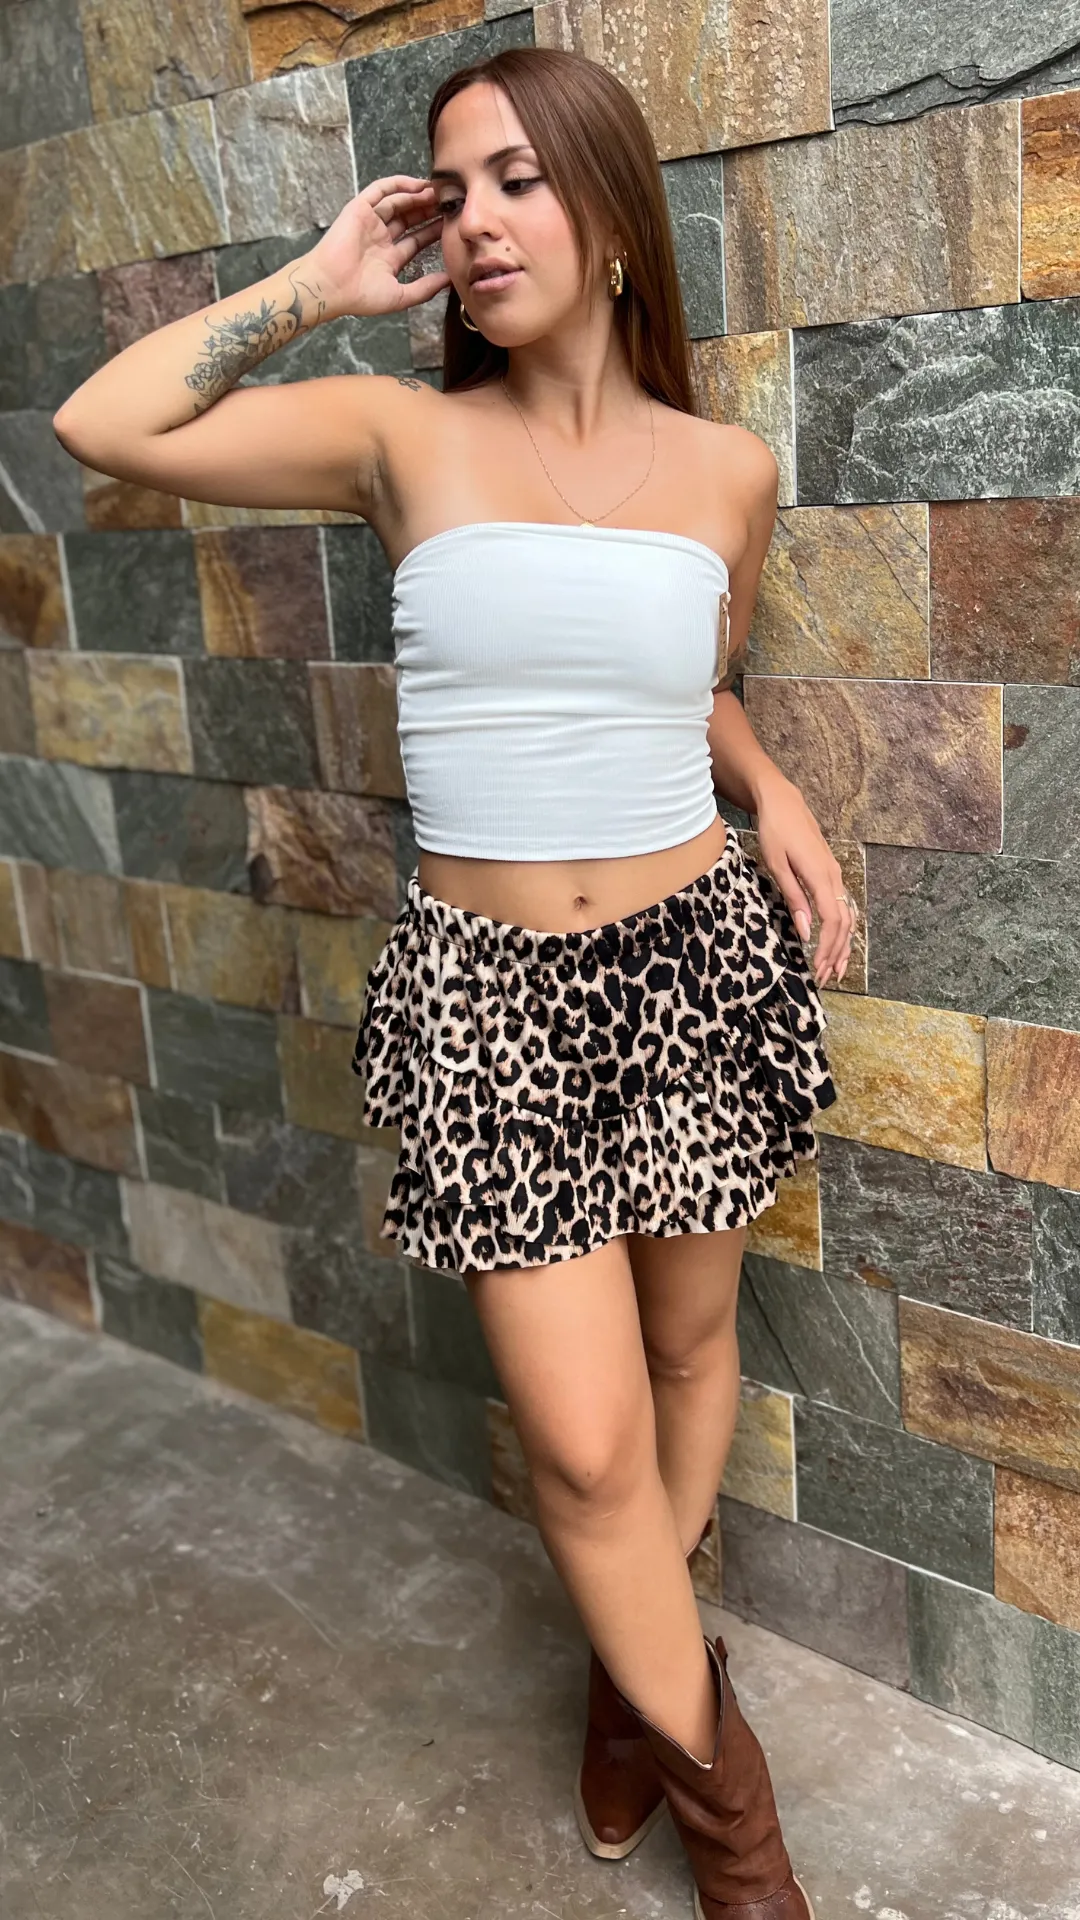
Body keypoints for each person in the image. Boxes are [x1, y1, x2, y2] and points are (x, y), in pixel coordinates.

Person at [53, 43, 853, 1917]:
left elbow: (681, 674)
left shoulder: (729, 473)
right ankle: (734, 1817)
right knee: (581, 1449)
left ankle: (632, 1687)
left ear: (614, 214)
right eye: (453, 188)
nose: (479, 221)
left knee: (689, 1356)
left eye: (517, 180)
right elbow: (104, 422)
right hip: (490, 995)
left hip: (693, 965)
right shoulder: (395, 437)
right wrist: (318, 285)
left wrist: (774, 784)